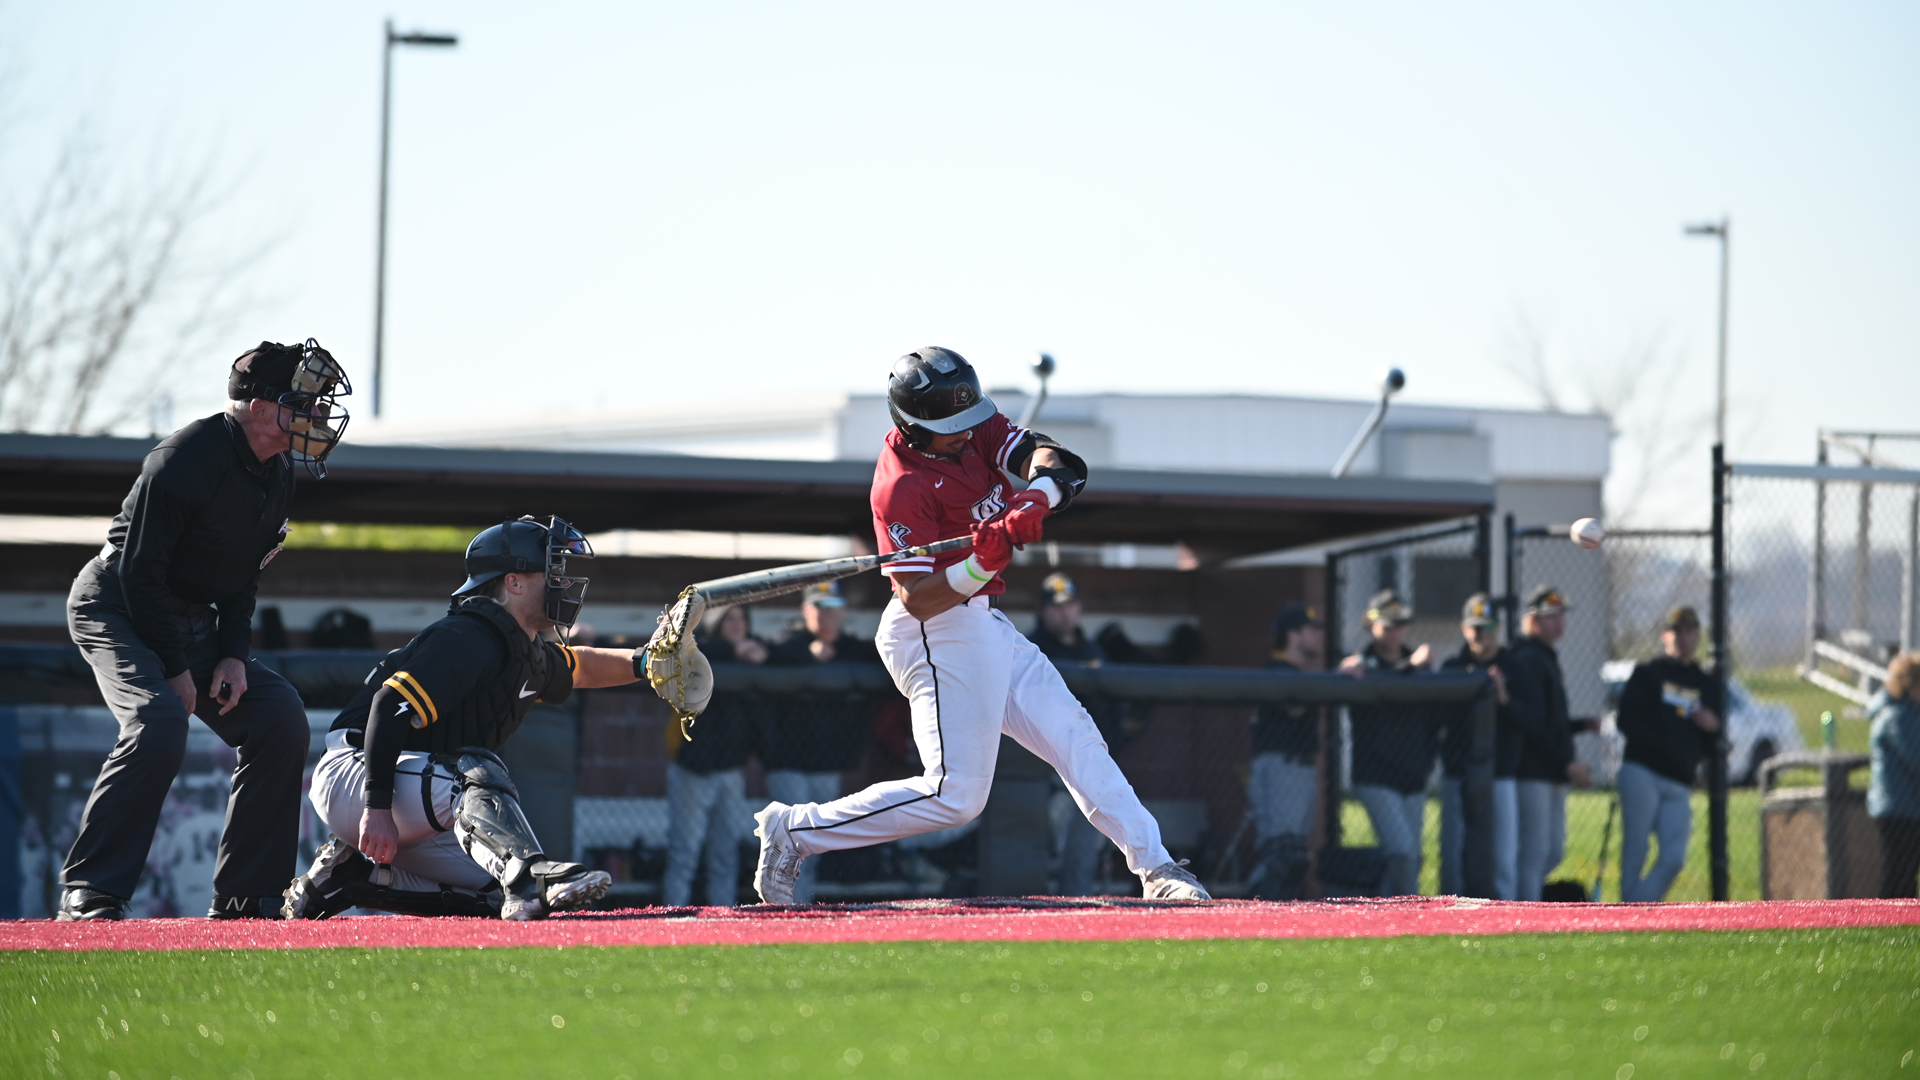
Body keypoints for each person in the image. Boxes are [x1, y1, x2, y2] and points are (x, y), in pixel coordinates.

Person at [751, 346, 1206, 903]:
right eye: (951, 428)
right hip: (933, 629)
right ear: (914, 428)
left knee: (1074, 734)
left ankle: (1156, 867)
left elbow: (1061, 462)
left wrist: (1037, 496)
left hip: (984, 621)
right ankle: (793, 830)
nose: (966, 434)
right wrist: (979, 564)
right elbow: (918, 598)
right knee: (956, 796)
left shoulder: (974, 426)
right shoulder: (901, 487)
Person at [57, 339, 351, 921]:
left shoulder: (278, 469)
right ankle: (90, 892)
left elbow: (243, 572)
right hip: (118, 605)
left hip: (192, 620)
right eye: (306, 402)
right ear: (262, 407)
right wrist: (174, 667)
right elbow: (141, 573)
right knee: (160, 720)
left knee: (279, 717)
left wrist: (234, 654)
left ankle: (249, 900)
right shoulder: (187, 455)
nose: (319, 416)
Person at [287, 515, 685, 920]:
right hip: (358, 774)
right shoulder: (471, 635)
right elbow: (388, 707)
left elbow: (579, 667)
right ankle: (531, 877)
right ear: (513, 582)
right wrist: (376, 807)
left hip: (419, 793)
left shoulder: (521, 648)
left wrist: (647, 662)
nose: (562, 583)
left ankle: (348, 880)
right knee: (479, 774)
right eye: (551, 572)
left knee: (500, 895)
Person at [760, 581, 880, 903]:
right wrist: (805, 655)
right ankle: (781, 907)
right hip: (787, 762)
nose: (827, 617)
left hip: (828, 764)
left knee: (817, 844)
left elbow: (885, 654)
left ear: (843, 611)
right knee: (787, 842)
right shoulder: (787, 645)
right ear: (806, 611)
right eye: (819, 609)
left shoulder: (854, 649)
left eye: (833, 609)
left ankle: (804, 910)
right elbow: (763, 652)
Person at [1026, 572, 1127, 896]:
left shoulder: (1094, 651)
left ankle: (1075, 914)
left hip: (1089, 769)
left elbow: (1115, 714)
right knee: (1036, 851)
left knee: (1082, 853)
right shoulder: (1030, 649)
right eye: (1056, 607)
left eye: (1070, 605)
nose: (1064, 613)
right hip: (1042, 772)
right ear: (1042, 611)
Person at [1614, 606, 1722, 902]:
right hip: (1643, 771)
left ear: (1698, 636)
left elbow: (1715, 738)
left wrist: (1713, 726)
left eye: (1690, 631)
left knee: (1674, 857)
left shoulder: (1705, 682)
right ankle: (1630, 915)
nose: (1684, 638)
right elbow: (1626, 720)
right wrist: (1662, 744)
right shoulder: (1649, 674)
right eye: (1677, 631)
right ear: (1665, 635)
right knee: (1636, 849)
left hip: (1679, 779)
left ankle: (1634, 910)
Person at [661, 605, 766, 907]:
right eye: (729, 619)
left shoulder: (755, 653)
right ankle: (673, 917)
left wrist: (746, 653)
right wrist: (735, 652)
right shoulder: (700, 653)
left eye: (741, 618)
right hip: (692, 769)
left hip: (731, 771)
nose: (736, 624)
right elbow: (696, 648)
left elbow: (782, 651)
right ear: (716, 624)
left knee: (726, 853)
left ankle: (723, 918)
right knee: (685, 852)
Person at [1339, 589, 1439, 896]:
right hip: (1376, 774)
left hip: (1412, 775)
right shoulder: (1363, 665)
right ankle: (1393, 916)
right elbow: (1382, 681)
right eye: (1387, 625)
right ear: (1371, 624)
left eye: (1399, 625)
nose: (1394, 632)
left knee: (1413, 858)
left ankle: (1399, 919)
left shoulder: (1416, 663)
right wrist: (1412, 667)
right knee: (1402, 852)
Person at [1503, 585, 1593, 902]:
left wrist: (1581, 725)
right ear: (1532, 621)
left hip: (1551, 770)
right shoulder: (1528, 658)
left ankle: (1524, 909)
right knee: (1534, 854)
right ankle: (1524, 922)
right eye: (1550, 617)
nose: (1559, 623)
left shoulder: (1545, 658)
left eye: (1561, 615)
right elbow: (1534, 728)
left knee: (1552, 852)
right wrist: (1567, 763)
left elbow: (1550, 722)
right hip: (1532, 771)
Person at [1247, 603, 1324, 900]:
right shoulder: (1276, 671)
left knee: (1297, 857)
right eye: (1311, 630)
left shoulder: (1299, 673)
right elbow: (1295, 707)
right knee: (1282, 854)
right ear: (1293, 635)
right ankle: (1250, 908)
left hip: (1301, 769)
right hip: (1281, 769)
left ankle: (1281, 920)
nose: (1318, 637)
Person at [1438, 592, 1512, 897]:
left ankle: (1506, 920)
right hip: (1457, 769)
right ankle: (1448, 917)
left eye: (1489, 626)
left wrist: (1502, 695)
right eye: (1476, 627)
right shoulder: (1452, 667)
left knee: (1500, 854)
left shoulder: (1512, 664)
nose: (1483, 634)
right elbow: (1439, 719)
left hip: (1500, 770)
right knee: (1453, 851)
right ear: (1465, 628)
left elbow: (1529, 718)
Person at [1868, 653, 1920, 899]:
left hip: (1902, 806)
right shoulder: (1899, 717)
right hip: (1900, 808)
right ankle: (1890, 919)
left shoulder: (1902, 714)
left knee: (1902, 870)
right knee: (1900, 872)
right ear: (1912, 686)